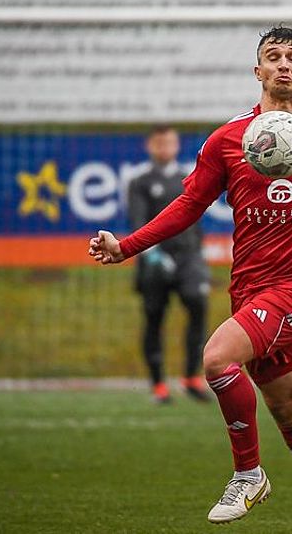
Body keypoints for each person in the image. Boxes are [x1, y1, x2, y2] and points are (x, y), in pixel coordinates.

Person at [89, 26, 292, 533]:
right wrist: (126, 246)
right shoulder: (228, 139)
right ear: (258, 71)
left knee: (216, 358)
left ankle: (248, 475)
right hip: (250, 290)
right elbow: (190, 204)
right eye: (273, 56)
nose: (283, 64)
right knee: (287, 405)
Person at [127, 125, 211, 404]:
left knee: (198, 303)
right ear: (150, 146)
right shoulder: (139, 182)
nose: (165, 148)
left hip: (188, 258)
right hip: (155, 259)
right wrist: (151, 254)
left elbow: (196, 221)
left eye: (170, 142)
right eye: (159, 143)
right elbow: (138, 223)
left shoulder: (188, 177)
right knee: (154, 317)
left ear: (177, 145)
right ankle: (158, 384)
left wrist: (197, 254)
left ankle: (191, 377)